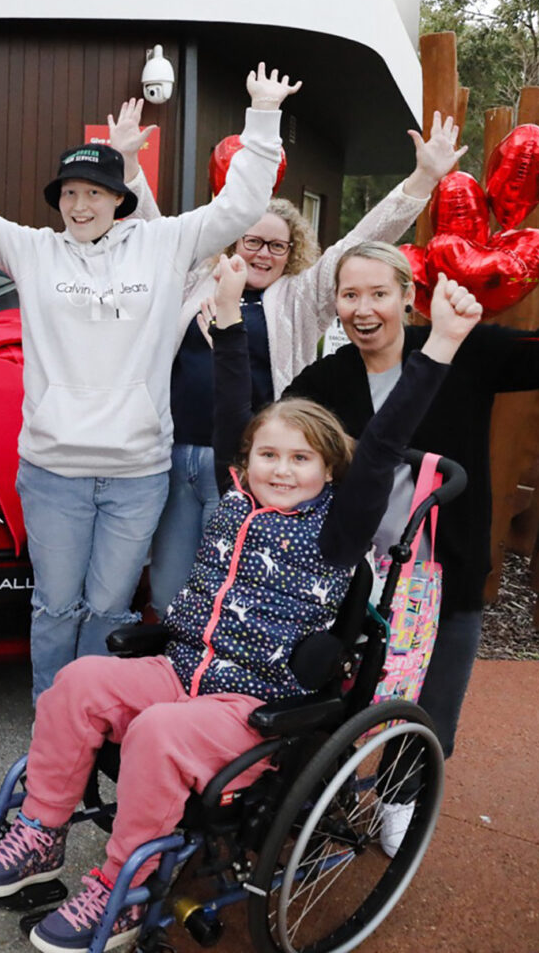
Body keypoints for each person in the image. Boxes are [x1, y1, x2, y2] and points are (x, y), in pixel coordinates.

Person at [0, 258, 481, 952]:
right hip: (182, 669)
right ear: (247, 461)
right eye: (269, 455)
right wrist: (231, 318)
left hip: (253, 708)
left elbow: (384, 443)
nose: (281, 469)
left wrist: (440, 343)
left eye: (302, 459)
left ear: (330, 470)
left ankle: (121, 891)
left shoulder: (336, 527)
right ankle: (43, 832)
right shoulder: (237, 497)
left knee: (155, 735)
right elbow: (232, 408)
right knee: (77, 681)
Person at [0, 66, 299, 699]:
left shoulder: (162, 245)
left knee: (109, 610)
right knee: (55, 607)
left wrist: (262, 115)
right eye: (70, 194)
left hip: (135, 471)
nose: (80, 206)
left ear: (118, 197)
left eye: (94, 193)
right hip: (52, 468)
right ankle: (54, 716)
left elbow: (240, 206)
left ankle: (91, 715)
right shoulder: (34, 250)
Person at [283, 181, 539, 853]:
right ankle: (321, 799)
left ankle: (402, 795)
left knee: (433, 698)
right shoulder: (326, 380)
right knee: (331, 689)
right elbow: (279, 445)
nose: (363, 308)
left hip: (443, 566)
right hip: (353, 575)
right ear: (336, 305)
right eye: (350, 295)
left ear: (408, 294)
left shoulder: (461, 350)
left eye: (377, 293)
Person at [147, 112, 470, 612]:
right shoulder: (197, 284)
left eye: (278, 244)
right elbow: (157, 238)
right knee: (169, 586)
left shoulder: (298, 298)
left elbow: (361, 237)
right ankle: (185, 667)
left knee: (230, 584)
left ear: (291, 252)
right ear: (234, 240)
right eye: (252, 239)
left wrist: (422, 180)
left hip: (241, 462)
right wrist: (129, 168)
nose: (263, 252)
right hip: (175, 455)